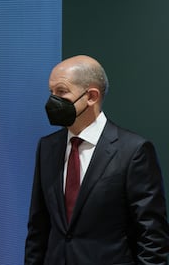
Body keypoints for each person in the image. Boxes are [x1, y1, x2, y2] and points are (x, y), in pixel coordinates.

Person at [25, 55, 169, 264]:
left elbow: (152, 236)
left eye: (61, 92)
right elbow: (38, 227)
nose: (51, 101)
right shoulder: (47, 147)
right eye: (51, 92)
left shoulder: (133, 151)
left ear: (91, 96)